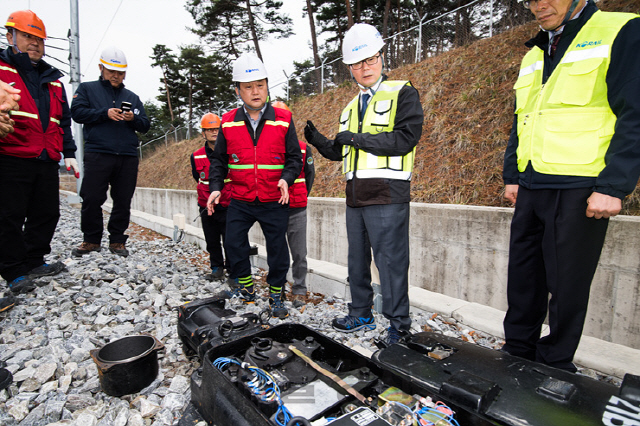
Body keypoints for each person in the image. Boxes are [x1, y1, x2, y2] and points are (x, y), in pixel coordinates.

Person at [501, 0, 640, 371]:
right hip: (532, 183)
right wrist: (512, 175)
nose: (539, 5)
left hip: (580, 186)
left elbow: (635, 111)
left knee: (567, 287)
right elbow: (523, 116)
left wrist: (614, 185)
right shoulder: (536, 50)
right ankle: (515, 356)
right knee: (523, 281)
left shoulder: (619, 30)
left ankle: (554, 366)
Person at [304, 23, 423, 345]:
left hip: (387, 192)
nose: (364, 68)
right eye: (357, 63)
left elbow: (405, 139)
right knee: (357, 260)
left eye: (370, 60)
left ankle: (399, 325)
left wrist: (356, 138)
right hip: (355, 194)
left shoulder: (402, 92)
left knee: (391, 262)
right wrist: (319, 141)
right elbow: (342, 150)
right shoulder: (349, 107)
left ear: (382, 58)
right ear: (349, 68)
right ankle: (361, 312)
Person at [206, 53, 302, 319]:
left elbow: (295, 157)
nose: (255, 91)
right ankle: (246, 289)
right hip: (241, 198)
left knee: (277, 249)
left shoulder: (283, 118)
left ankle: (275, 294)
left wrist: (286, 178)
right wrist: (216, 186)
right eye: (248, 86)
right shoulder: (228, 121)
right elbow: (219, 160)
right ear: (238, 90)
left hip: (274, 198)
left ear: (267, 85)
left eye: (260, 84)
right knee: (234, 244)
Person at [0, 10, 78, 294]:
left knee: (46, 213)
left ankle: (34, 260)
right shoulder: (2, 70)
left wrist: (68, 151)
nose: (34, 43)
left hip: (46, 157)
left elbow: (63, 120)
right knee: (10, 215)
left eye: (39, 39)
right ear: (11, 37)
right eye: (27, 36)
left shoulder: (54, 79)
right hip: (11, 155)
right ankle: (13, 269)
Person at [71, 47, 150, 258]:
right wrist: (103, 113)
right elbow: (77, 112)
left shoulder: (132, 97)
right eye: (111, 71)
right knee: (91, 197)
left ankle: (117, 240)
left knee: (123, 199)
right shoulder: (87, 89)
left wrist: (133, 119)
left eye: (120, 72)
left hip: (127, 155)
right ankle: (91, 239)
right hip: (98, 152)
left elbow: (145, 124)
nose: (116, 76)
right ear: (101, 68)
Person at [272, 101, 315, 308]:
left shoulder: (303, 149)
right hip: (273, 209)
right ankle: (277, 288)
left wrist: (301, 196)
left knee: (299, 253)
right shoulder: (265, 148)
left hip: (297, 209)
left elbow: (309, 176)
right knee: (277, 252)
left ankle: (299, 289)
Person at [191, 113, 230, 280]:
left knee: (231, 240)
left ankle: (234, 271)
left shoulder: (230, 151)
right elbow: (196, 176)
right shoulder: (196, 155)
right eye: (210, 129)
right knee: (212, 239)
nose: (214, 132)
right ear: (203, 133)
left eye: (217, 129)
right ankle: (216, 268)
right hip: (206, 206)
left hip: (229, 203)